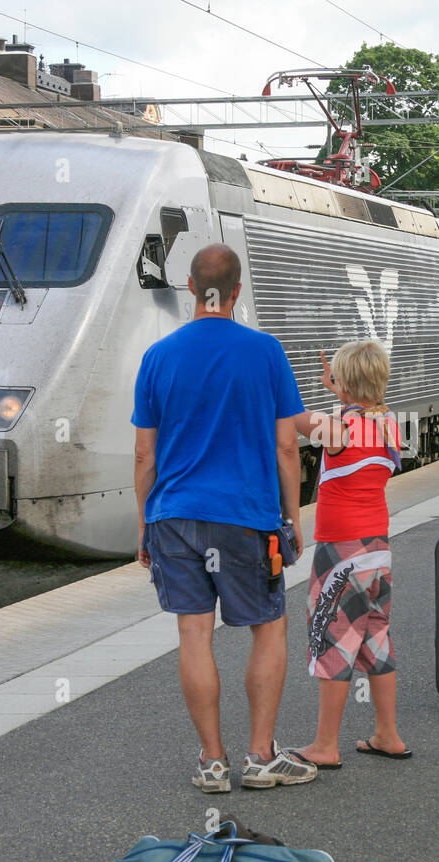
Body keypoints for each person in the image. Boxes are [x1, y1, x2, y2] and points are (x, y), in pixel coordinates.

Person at [133, 243, 317, 794]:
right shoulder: (264, 351)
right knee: (268, 627)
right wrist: (292, 516)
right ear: (237, 292)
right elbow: (288, 444)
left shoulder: (158, 357)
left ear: (191, 288)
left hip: (174, 516)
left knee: (194, 633)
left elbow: (145, 455)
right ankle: (260, 756)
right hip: (245, 518)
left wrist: (145, 524)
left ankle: (212, 762)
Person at [290, 342, 409, 767]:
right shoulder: (390, 424)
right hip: (378, 548)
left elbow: (293, 418)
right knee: (376, 639)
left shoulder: (339, 429)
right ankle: (387, 734)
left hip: (341, 552)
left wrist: (278, 382)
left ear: (346, 383)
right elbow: (359, 413)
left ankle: (324, 745)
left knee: (333, 640)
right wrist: (342, 391)